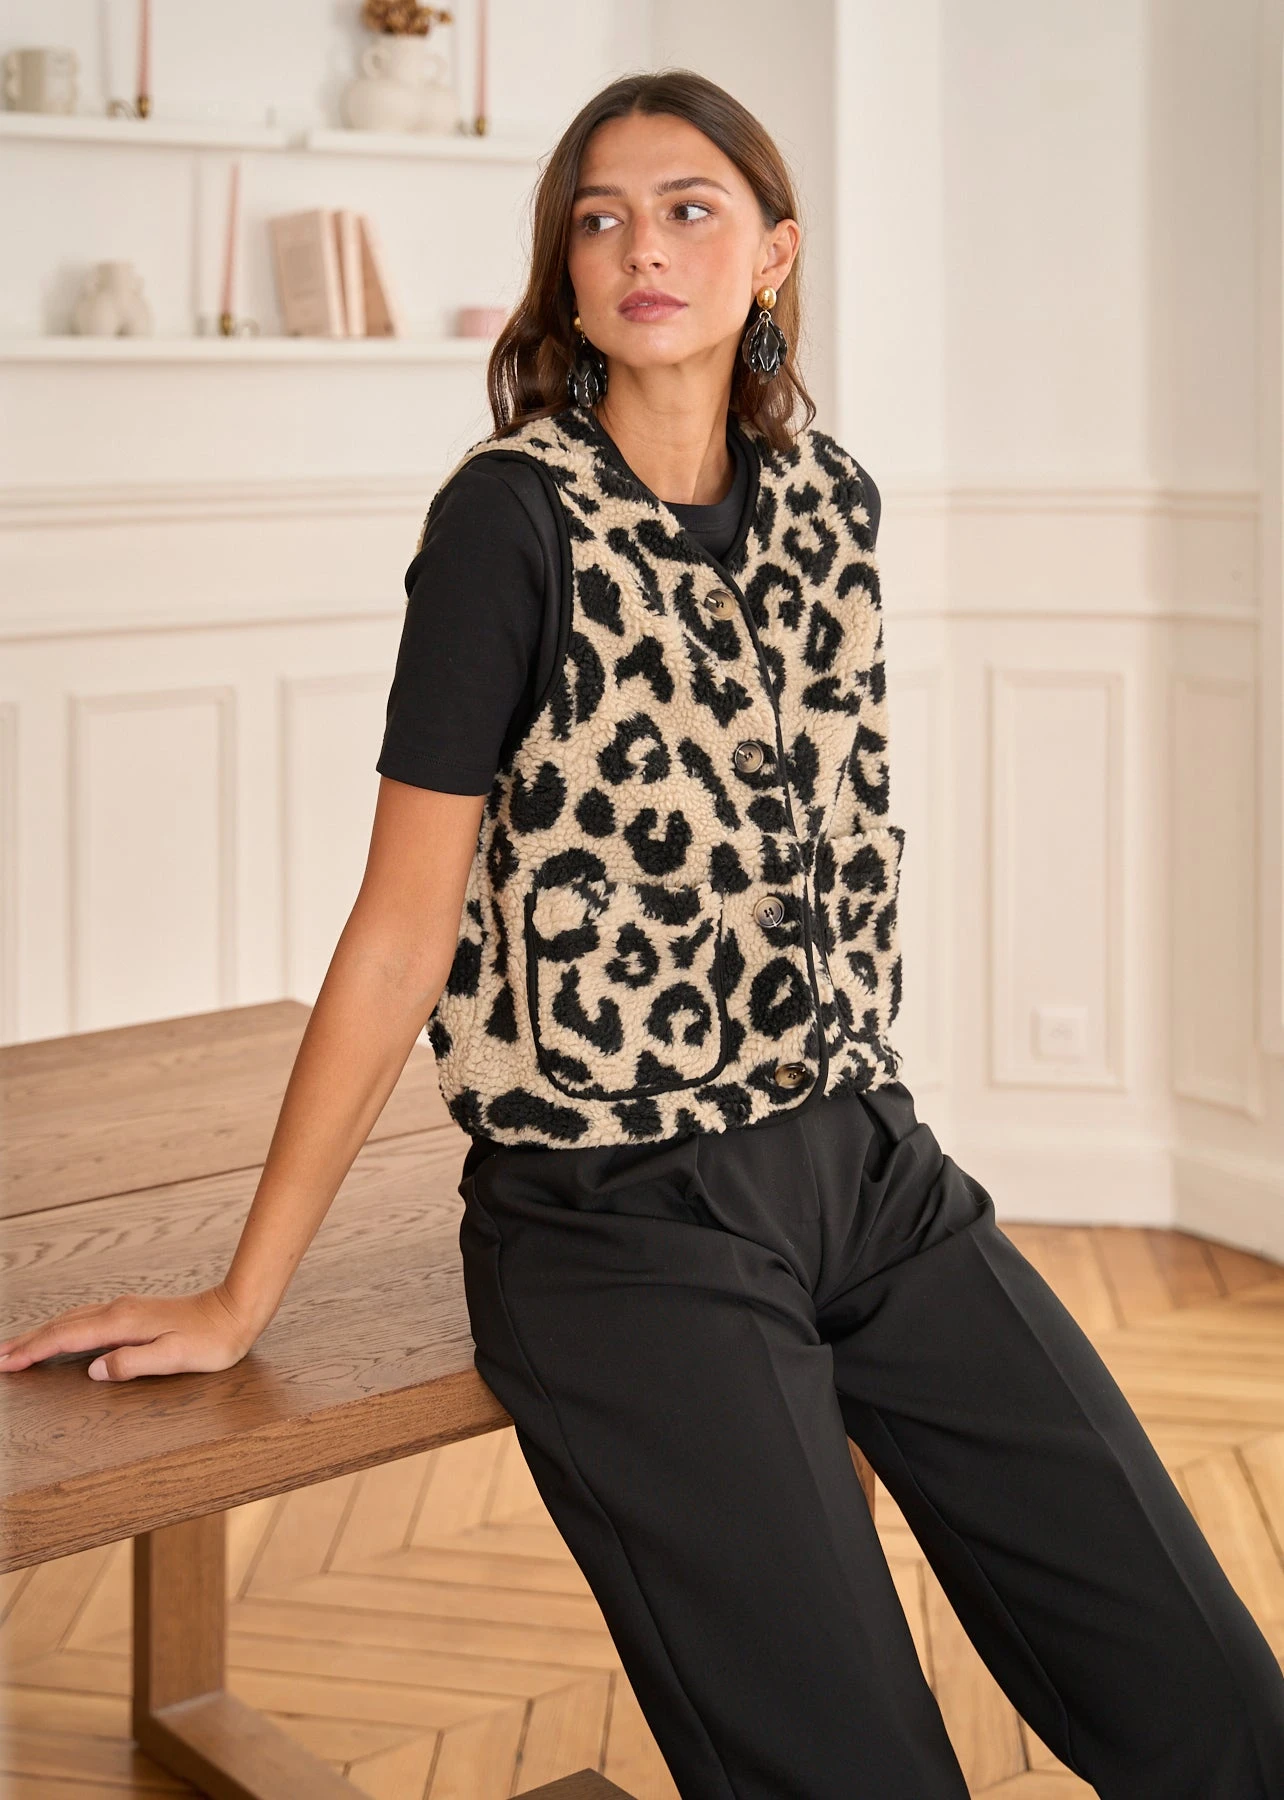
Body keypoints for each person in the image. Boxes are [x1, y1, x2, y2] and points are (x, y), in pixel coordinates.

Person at [4, 66, 1284, 1800]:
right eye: (598, 220)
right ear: (567, 271)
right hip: (618, 1217)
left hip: (867, 1162)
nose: (641, 248)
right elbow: (399, 931)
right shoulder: (508, 523)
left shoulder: (834, 504)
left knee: (1217, 1701)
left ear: (774, 255)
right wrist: (248, 1293)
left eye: (689, 209)